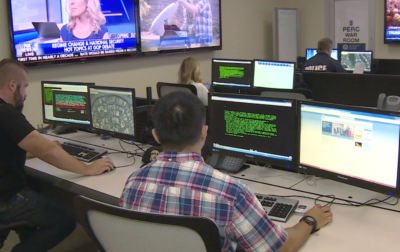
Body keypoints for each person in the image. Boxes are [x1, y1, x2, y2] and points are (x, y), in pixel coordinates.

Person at [120, 91, 332, 252]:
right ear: (204, 132)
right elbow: (280, 247)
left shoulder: (133, 181)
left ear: (155, 136)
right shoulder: (230, 192)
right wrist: (309, 221)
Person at [0, 59, 115, 252]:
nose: (26, 94)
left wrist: (32, 150)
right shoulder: (6, 113)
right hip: (7, 198)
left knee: (36, 199)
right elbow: (48, 151)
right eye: (25, 87)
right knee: (64, 220)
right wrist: (87, 168)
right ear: (13, 85)